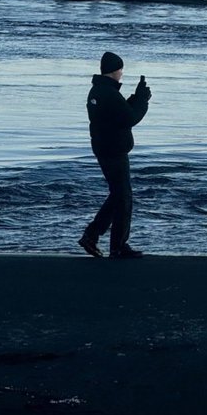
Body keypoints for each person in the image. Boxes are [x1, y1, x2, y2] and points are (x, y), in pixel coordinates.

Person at [79, 51, 152, 260]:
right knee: (123, 197)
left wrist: (136, 97)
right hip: (113, 151)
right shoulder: (107, 93)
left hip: (106, 149)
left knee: (118, 195)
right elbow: (130, 118)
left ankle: (93, 236)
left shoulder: (99, 91)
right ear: (115, 70)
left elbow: (118, 114)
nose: (122, 73)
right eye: (121, 69)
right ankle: (117, 246)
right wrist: (143, 100)